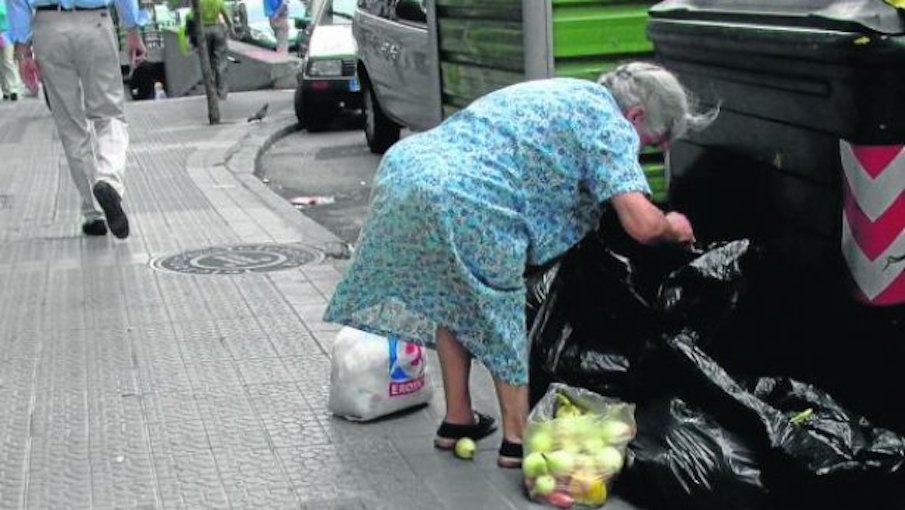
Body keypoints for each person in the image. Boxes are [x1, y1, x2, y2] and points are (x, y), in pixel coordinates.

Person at [323, 62, 717, 467]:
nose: (655, 150)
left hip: (406, 174)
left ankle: (457, 420)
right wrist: (672, 227)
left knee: (453, 298)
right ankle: (516, 441)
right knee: (500, 312)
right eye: (657, 139)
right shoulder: (610, 124)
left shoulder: (566, 92)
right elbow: (641, 224)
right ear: (635, 116)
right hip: (466, 199)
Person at [7, 0, 147, 238]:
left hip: (47, 27)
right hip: (94, 23)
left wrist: (23, 52)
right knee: (109, 114)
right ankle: (109, 180)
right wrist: (133, 29)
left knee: (70, 125)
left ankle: (94, 214)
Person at [194, 0, 235, 99]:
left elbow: (193, 17)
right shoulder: (218, 1)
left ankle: (210, 91)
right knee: (220, 62)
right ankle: (221, 92)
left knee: (206, 62)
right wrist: (231, 28)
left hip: (203, 30)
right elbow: (226, 16)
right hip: (217, 29)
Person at [0, 0, 23, 101]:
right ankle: (6, 90)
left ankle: (14, 89)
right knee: (2, 63)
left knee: (7, 61)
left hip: (6, 34)